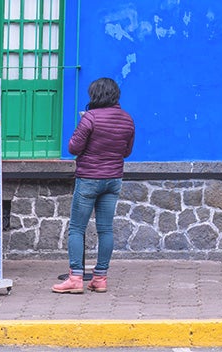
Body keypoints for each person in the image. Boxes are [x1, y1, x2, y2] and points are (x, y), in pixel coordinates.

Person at [53, 77, 135, 294]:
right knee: (105, 229)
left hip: (89, 178)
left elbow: (73, 147)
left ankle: (75, 278)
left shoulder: (90, 117)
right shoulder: (127, 119)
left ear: (95, 96)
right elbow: (126, 151)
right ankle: (100, 278)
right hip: (113, 179)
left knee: (77, 228)